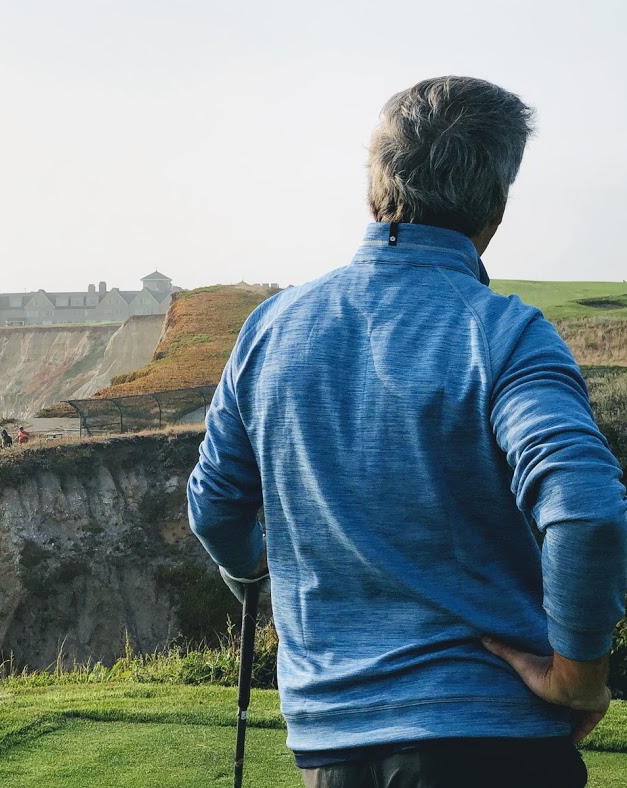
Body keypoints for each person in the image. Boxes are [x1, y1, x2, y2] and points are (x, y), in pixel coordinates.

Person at [188, 75, 627, 788]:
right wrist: (578, 677)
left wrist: (252, 567)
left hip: (331, 748)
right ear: (496, 203)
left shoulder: (270, 328)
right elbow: (585, 509)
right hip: (493, 740)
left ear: (373, 186)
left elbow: (215, 506)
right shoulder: (504, 333)